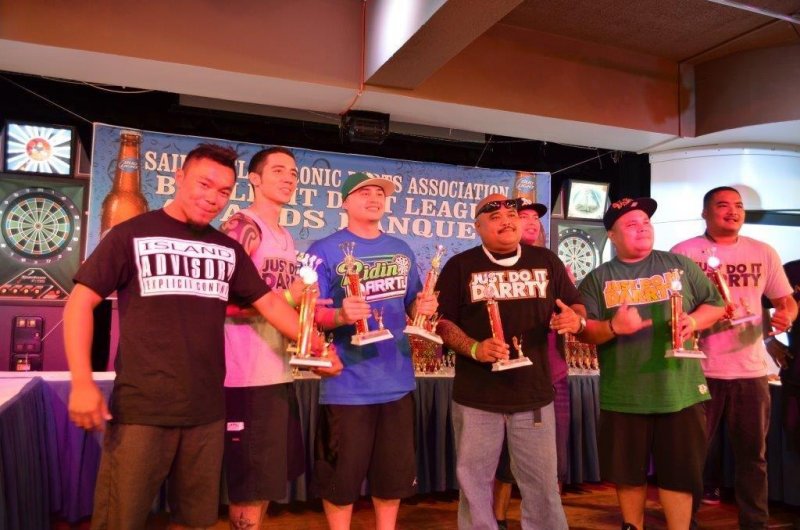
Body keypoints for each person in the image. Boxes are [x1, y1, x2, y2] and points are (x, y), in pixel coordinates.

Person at [64, 144, 316, 530]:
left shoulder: (227, 248)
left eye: (223, 191)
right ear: (179, 178)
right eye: (204, 184)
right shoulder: (132, 234)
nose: (212, 197)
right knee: (119, 519)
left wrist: (316, 344)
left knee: (196, 520)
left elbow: (269, 303)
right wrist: (81, 382)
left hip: (207, 413)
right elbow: (80, 304)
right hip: (142, 409)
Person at [574, 197, 725, 530]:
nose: (642, 228)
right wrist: (614, 327)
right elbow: (584, 332)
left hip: (679, 392)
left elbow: (715, 304)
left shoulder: (679, 265)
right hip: (624, 395)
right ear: (611, 235)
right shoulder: (598, 278)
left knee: (679, 474)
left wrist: (693, 321)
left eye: (646, 222)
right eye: (631, 224)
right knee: (628, 474)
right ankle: (632, 526)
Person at [435, 194, 583, 529]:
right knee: (475, 486)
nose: (506, 220)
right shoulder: (460, 266)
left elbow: (574, 304)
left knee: (542, 485)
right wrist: (474, 348)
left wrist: (574, 319)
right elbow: (441, 322)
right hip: (477, 397)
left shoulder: (546, 261)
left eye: (512, 214)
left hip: (533, 395)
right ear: (478, 227)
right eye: (495, 216)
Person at [307, 172, 437, 530]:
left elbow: (411, 304)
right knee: (340, 483)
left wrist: (423, 307)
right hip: (347, 385)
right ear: (345, 202)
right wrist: (339, 315)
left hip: (397, 382)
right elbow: (309, 313)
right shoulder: (323, 250)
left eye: (380, 193)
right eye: (364, 192)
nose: (374, 198)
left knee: (391, 479)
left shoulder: (401, 249)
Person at [220, 147, 342, 529]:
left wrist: (310, 314)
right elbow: (222, 301)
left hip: (277, 370)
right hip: (244, 374)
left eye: (292, 172)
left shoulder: (285, 237)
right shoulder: (243, 226)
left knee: (266, 482)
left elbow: (285, 303)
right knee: (248, 484)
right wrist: (290, 297)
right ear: (254, 179)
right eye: (278, 170)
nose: (288, 178)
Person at [671, 186, 797, 529]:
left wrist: (787, 315)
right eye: (723, 205)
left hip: (750, 371)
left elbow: (785, 300)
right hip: (698, 370)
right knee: (692, 457)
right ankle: (684, 522)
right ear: (704, 212)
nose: (733, 211)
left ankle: (755, 523)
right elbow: (671, 305)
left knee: (753, 458)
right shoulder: (684, 252)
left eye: (738, 206)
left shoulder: (763, 252)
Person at [492, 200, 572, 530]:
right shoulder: (493, 263)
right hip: (507, 374)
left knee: (552, 458)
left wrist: (574, 316)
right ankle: (498, 518)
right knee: (504, 459)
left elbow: (575, 307)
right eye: (520, 216)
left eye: (534, 218)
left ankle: (548, 518)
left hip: (551, 373)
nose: (530, 222)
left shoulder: (553, 265)